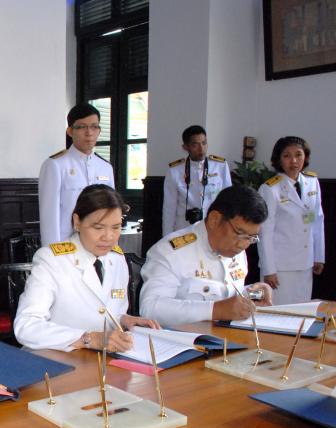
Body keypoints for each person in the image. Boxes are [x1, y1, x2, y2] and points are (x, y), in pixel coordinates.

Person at [15, 185, 159, 353]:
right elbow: (26, 326)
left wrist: (124, 320)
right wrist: (89, 339)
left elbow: (104, 311)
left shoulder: (117, 259)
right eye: (98, 228)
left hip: (101, 359)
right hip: (56, 358)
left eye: (116, 227)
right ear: (77, 222)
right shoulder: (52, 259)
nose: (108, 237)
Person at [140, 184, 273, 327]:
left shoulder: (235, 249)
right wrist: (215, 310)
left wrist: (252, 293)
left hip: (230, 336)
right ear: (214, 219)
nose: (243, 245)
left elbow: (225, 293)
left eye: (251, 237)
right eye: (239, 233)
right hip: (185, 339)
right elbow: (150, 309)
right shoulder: (170, 251)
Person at [257, 136, 325, 305]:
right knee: (279, 312)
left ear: (305, 157)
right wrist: (268, 269)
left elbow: (317, 220)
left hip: (305, 262)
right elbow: (265, 232)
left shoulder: (312, 182)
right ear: (279, 159)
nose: (293, 161)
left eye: (298, 155)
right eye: (287, 156)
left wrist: (319, 256)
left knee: (301, 310)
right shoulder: (270, 188)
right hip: (280, 266)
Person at [38, 103, 114, 246]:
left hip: (99, 244)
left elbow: (112, 211)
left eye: (94, 126)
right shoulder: (56, 165)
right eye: (81, 127)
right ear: (70, 131)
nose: (89, 133)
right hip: (68, 246)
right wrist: (54, 252)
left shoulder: (105, 167)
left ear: (99, 130)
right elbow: (49, 217)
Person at [162, 125, 232, 236]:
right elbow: (169, 208)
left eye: (204, 143)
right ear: (185, 147)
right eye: (195, 145)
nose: (201, 149)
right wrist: (167, 237)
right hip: (184, 229)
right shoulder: (175, 171)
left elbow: (228, 201)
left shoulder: (220, 166)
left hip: (213, 228)